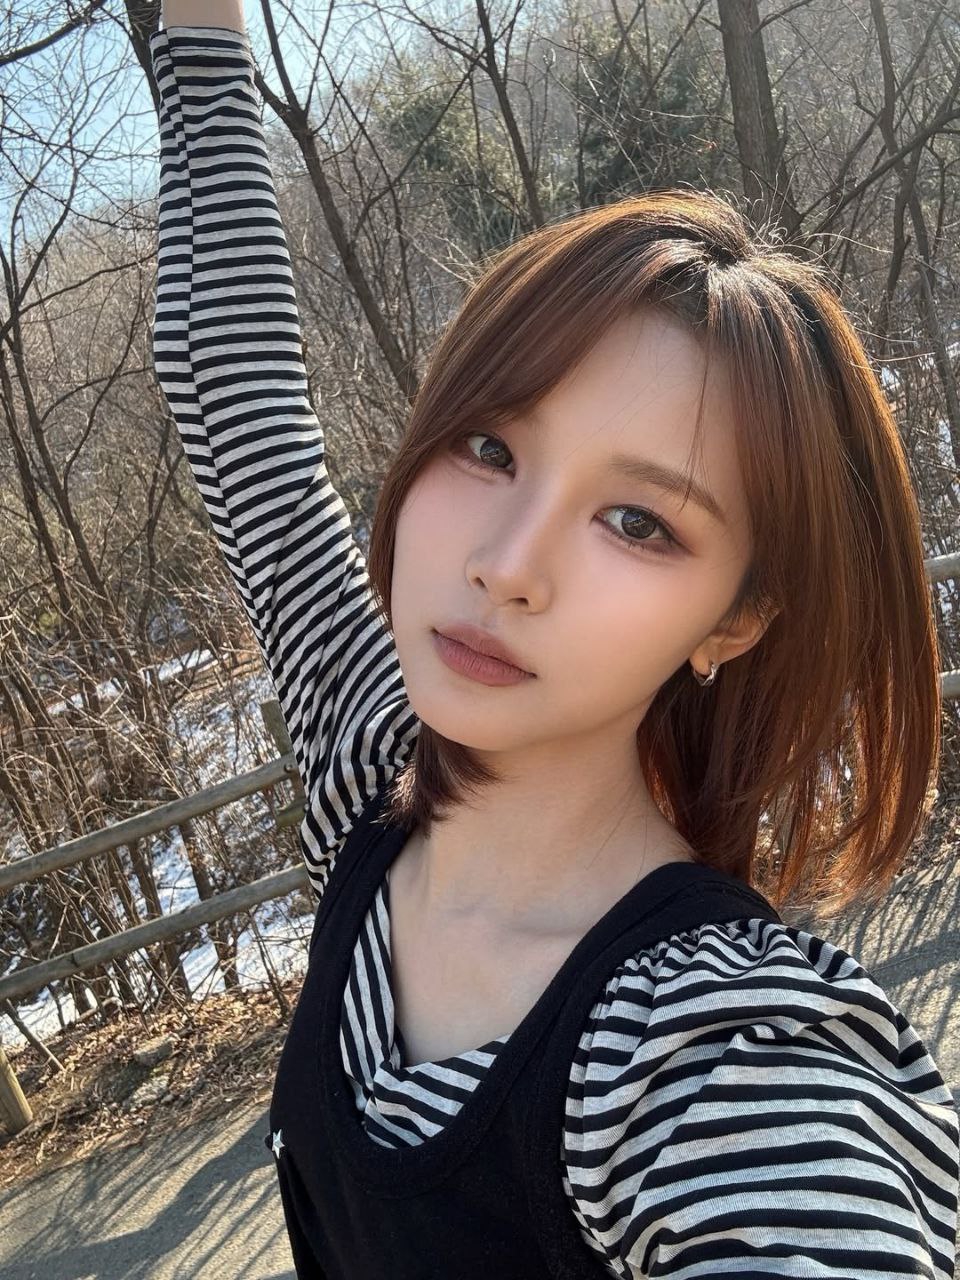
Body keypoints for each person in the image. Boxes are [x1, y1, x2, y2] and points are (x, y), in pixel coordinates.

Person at [152, 2, 959, 1276]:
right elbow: (227, 388)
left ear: (737, 617)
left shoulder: (705, 1052)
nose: (507, 564)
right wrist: (202, 31)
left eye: (639, 521)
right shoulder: (370, 777)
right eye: (489, 446)